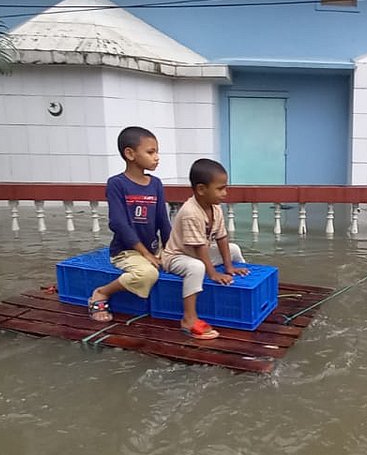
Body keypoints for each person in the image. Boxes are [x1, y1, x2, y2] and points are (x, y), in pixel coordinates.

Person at [88, 126, 172, 322]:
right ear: (130, 153)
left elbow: (163, 221)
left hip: (153, 249)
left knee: (185, 262)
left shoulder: (156, 184)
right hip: (126, 251)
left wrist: (169, 251)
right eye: (151, 152)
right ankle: (101, 293)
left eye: (157, 152)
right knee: (148, 274)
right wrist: (146, 254)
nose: (157, 157)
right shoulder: (117, 184)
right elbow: (119, 223)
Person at [161, 158, 249, 340]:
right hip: (176, 257)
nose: (225, 193)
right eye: (220, 188)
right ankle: (189, 319)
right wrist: (213, 273)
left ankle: (242, 291)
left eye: (225, 187)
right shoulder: (190, 212)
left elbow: (222, 237)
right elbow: (201, 249)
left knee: (233, 249)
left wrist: (229, 266)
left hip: (196, 253)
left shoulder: (215, 208)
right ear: (201, 189)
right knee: (197, 267)